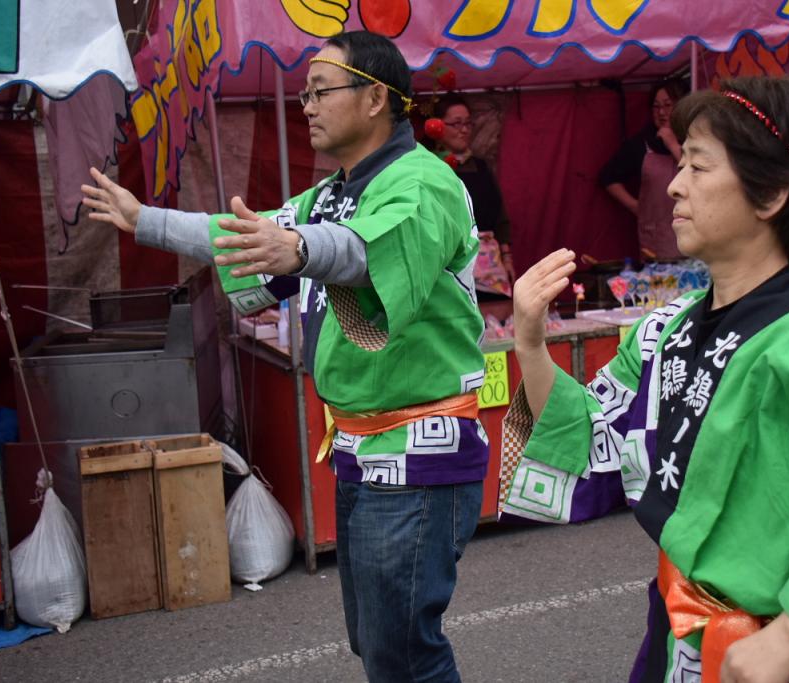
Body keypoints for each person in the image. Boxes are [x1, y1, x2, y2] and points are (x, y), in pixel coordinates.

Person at [502, 74, 789, 682]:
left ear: (771, 193)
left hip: (763, 655)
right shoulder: (665, 330)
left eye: (698, 167)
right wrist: (530, 340)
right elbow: (593, 433)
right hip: (675, 632)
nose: (674, 185)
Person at [82, 30, 487, 683]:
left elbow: (356, 251)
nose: (307, 104)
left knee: (402, 649)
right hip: (363, 447)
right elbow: (246, 234)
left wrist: (297, 251)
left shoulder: (423, 183)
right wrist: (145, 220)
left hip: (420, 449)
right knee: (377, 643)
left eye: (321, 90)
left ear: (376, 98)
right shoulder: (329, 193)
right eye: (304, 93)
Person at [599, 80, 687, 261]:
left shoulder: (694, 138)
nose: (661, 112)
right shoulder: (641, 144)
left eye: (668, 105)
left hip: (694, 239)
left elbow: (696, 173)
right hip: (657, 244)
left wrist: (672, 143)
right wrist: (635, 206)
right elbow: (608, 176)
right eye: (656, 107)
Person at [435, 93, 515, 284]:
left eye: (468, 123)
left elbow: (499, 216)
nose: (464, 130)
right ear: (438, 126)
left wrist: (507, 257)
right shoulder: (431, 167)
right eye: (456, 124)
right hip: (450, 265)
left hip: (489, 267)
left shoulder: (481, 167)